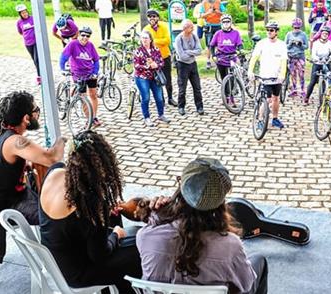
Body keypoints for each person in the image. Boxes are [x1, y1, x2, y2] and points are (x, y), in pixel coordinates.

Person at [135, 158, 267, 293]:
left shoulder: (145, 235)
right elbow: (245, 285)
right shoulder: (230, 246)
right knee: (259, 261)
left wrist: (159, 213)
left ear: (180, 186)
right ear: (220, 202)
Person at [39, 130, 141, 293]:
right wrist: (116, 234)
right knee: (139, 252)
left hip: (56, 260)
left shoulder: (55, 171)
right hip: (77, 273)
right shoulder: (90, 203)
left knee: (114, 221)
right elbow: (100, 255)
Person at [0, 91, 66, 225]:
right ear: (26, 118)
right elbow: (52, 158)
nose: (38, 113)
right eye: (36, 110)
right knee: (58, 216)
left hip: (1, 198)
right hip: (8, 205)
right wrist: (63, 140)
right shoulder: (14, 141)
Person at [248, 21, 288, 129]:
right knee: (267, 99)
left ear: (276, 32)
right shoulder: (261, 43)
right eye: (267, 30)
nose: (269, 32)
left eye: (271, 30)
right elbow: (254, 58)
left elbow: (284, 61)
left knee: (276, 98)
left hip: (276, 77)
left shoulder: (282, 45)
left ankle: (275, 118)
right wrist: (250, 71)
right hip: (265, 76)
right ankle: (261, 120)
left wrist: (282, 74)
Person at [59, 26, 102, 127]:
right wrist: (62, 69)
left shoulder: (90, 45)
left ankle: (94, 117)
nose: (85, 38)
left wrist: (95, 72)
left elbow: (96, 60)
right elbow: (63, 57)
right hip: (78, 74)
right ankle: (89, 119)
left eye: (88, 36)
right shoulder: (73, 44)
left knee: (93, 95)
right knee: (83, 97)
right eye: (83, 35)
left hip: (90, 73)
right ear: (79, 35)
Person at [134, 31, 170, 127]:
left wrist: (156, 64)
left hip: (155, 77)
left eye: (146, 38)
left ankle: (161, 114)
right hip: (142, 77)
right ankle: (147, 117)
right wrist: (148, 66)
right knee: (145, 98)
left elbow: (162, 62)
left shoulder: (156, 49)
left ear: (150, 39)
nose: (144, 40)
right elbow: (136, 65)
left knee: (159, 97)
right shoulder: (138, 51)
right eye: (142, 38)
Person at [143, 9, 175, 107]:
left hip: (165, 56)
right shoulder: (146, 29)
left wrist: (154, 41)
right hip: (153, 58)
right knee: (157, 79)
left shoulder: (163, 26)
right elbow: (146, 44)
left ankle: (170, 98)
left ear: (158, 17)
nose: (152, 18)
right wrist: (160, 41)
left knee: (168, 79)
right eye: (150, 16)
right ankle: (161, 100)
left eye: (154, 16)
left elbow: (168, 40)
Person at [210, 14, 243, 106]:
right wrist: (213, 55)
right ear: (221, 23)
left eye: (228, 21)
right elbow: (212, 45)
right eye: (224, 22)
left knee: (232, 79)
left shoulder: (236, 33)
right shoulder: (218, 33)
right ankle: (226, 97)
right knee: (224, 78)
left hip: (232, 58)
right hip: (221, 58)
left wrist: (241, 50)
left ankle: (232, 97)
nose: (226, 23)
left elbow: (239, 44)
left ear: (231, 22)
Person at [174, 20, 204, 116]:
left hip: (193, 64)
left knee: (197, 87)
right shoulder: (179, 39)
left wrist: (188, 51)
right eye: (191, 27)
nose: (193, 28)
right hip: (182, 65)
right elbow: (181, 56)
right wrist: (192, 52)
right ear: (185, 28)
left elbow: (199, 51)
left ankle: (199, 107)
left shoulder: (194, 36)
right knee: (182, 88)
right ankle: (181, 106)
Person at [305, 26, 331, 105]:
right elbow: (313, 54)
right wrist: (317, 59)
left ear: (328, 35)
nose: (325, 35)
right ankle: (307, 97)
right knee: (312, 82)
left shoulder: (330, 43)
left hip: (326, 62)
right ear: (321, 34)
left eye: (326, 34)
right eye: (323, 33)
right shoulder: (316, 43)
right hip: (317, 63)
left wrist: (329, 58)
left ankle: (330, 95)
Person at [14, 4, 41, 85]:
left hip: (36, 42)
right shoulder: (19, 22)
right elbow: (20, 32)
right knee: (34, 60)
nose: (25, 14)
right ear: (20, 14)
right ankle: (40, 73)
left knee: (37, 59)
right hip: (28, 43)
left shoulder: (33, 18)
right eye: (22, 13)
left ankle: (39, 76)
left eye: (25, 12)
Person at [285, 18, 309, 101]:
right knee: (293, 74)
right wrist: (290, 44)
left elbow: (306, 47)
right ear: (292, 27)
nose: (296, 29)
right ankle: (294, 89)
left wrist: (301, 44)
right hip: (291, 57)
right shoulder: (288, 34)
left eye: (298, 28)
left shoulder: (303, 35)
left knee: (301, 74)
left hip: (300, 57)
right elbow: (285, 46)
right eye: (295, 27)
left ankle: (302, 90)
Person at [201, 0, 227, 69]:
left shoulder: (219, 2)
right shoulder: (204, 3)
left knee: (220, 43)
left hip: (218, 25)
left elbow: (225, 13)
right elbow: (201, 15)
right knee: (209, 44)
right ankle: (208, 61)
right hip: (209, 25)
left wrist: (218, 12)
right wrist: (208, 13)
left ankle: (220, 59)